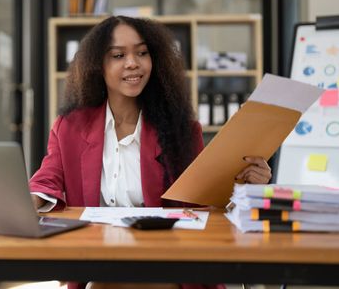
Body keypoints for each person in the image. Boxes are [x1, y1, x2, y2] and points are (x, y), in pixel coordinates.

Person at [29, 16, 271, 288]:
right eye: (118, 55)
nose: (133, 62)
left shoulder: (182, 131)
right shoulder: (70, 128)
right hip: (98, 261)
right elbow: (47, 178)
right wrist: (30, 200)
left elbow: (203, 206)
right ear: (98, 65)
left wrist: (246, 187)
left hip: (166, 264)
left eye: (142, 53)